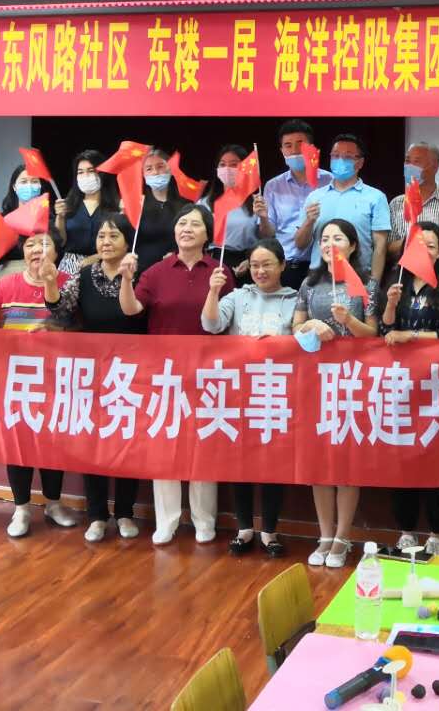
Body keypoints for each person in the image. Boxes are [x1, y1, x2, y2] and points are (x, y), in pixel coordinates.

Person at [130, 204, 235, 546]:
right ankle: (167, 520)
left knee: (203, 447)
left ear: (207, 234)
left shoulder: (220, 271)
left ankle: (204, 520)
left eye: (194, 224)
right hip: (165, 374)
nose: (186, 228)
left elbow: (225, 323)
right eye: (181, 223)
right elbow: (132, 309)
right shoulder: (156, 272)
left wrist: (216, 289)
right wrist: (126, 280)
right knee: (165, 448)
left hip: (207, 373)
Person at [0, 223, 80, 538]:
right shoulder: (6, 284)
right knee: (17, 444)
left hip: (57, 379)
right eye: (31, 244)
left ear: (57, 252)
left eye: (44, 244)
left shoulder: (69, 284)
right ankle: (20, 508)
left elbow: (81, 329)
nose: (36, 250)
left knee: (54, 444)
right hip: (15, 380)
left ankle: (53, 504)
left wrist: (54, 331)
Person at [45, 214, 145, 542]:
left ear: (127, 241)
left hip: (132, 371)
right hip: (93, 372)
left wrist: (129, 278)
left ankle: (125, 513)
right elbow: (61, 310)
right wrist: (50, 283)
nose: (106, 242)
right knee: (94, 444)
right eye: (101, 236)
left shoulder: (141, 272)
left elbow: (141, 312)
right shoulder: (85, 274)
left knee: (127, 443)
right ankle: (97, 515)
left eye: (113, 236)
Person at [201, 238, 299, 558]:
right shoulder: (238, 296)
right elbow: (211, 324)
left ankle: (269, 531)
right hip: (239, 390)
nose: (260, 271)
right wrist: (213, 292)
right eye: (255, 265)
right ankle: (244, 528)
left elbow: (302, 340)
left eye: (267, 264)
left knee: (273, 463)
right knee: (240, 462)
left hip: (277, 392)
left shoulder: (295, 299)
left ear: (282, 265)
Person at [293, 218, 378, 568]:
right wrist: (312, 325)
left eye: (338, 238)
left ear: (353, 246)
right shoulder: (309, 283)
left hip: (354, 380)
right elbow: (296, 326)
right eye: (325, 239)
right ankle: (325, 534)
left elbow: (372, 333)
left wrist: (348, 322)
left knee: (346, 462)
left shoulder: (366, 284)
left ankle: (343, 537)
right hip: (316, 380)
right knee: (319, 463)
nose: (331, 244)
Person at [378, 220, 439, 556]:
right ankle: (406, 531)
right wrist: (390, 304)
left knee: (435, 456)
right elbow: (383, 330)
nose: (424, 250)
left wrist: (409, 336)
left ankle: (437, 533)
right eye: (417, 245)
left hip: (438, 384)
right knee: (402, 458)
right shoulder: (395, 282)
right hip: (400, 384)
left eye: (430, 245)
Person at [296, 133, 390, 295]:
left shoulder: (375, 197)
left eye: (347, 157)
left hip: (359, 277)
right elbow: (300, 244)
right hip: (319, 278)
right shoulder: (315, 197)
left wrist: (373, 287)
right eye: (335, 156)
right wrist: (309, 222)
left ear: (360, 163)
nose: (340, 160)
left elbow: (380, 247)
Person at [261, 119, 332, 289]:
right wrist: (262, 218)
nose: (294, 150)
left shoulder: (330, 181)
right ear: (282, 150)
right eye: (288, 145)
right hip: (286, 266)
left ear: (311, 147)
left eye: (300, 144)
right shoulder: (273, 186)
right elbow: (268, 233)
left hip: (323, 266)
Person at [387, 142, 439, 262]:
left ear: (435, 166)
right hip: (403, 271)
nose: (410, 166)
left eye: (417, 161)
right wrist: (412, 241)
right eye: (407, 161)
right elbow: (388, 248)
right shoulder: (396, 203)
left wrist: (429, 249)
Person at [56, 149, 121, 274]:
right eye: (80, 172)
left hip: (106, 265)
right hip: (70, 267)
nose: (85, 176)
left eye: (91, 171)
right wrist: (60, 217)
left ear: (102, 173)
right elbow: (60, 242)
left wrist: (98, 257)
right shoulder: (69, 205)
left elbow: (123, 243)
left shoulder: (115, 207)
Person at [203, 143, 261, 275]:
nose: (227, 169)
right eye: (222, 164)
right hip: (214, 261)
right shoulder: (205, 203)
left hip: (246, 262)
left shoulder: (256, 203)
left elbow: (266, 237)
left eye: (234, 165)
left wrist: (250, 261)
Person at [0, 162, 60, 274]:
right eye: (24, 182)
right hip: (11, 272)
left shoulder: (49, 216)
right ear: (14, 187)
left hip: (43, 270)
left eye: (34, 181)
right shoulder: (5, 218)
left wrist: (60, 217)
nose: (29, 186)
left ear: (40, 186)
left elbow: (58, 247)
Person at [135, 147, 186, 275]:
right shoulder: (137, 203)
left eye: (160, 166)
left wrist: (178, 254)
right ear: (143, 174)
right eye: (149, 169)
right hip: (144, 271)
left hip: (178, 269)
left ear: (171, 168)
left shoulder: (184, 204)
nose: (155, 172)